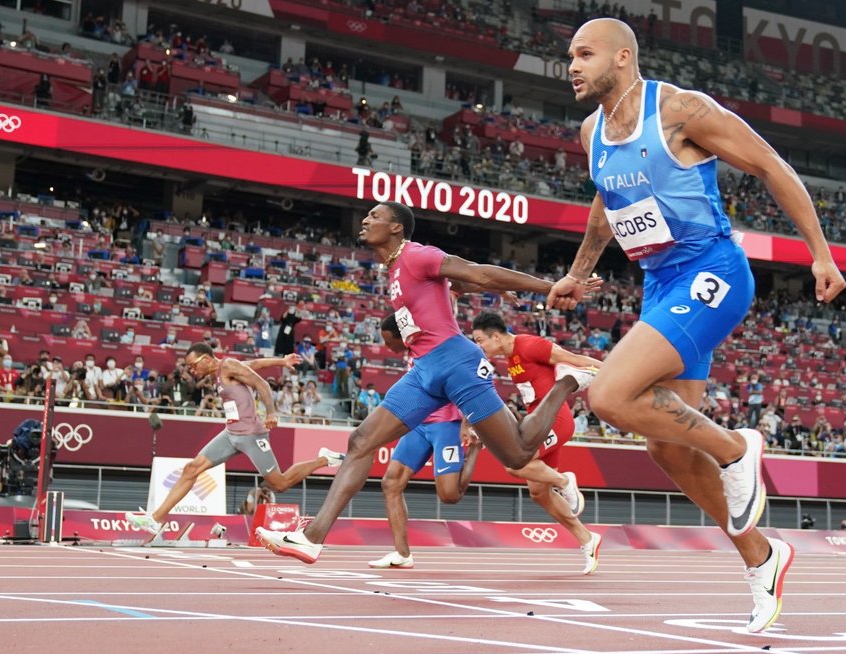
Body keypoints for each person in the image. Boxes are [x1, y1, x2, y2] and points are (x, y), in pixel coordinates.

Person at [548, 19, 846, 633]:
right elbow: (607, 204)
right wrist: (579, 272)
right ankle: (762, 558)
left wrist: (820, 252)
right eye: (568, 56)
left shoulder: (682, 110)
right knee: (665, 445)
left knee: (608, 394)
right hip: (659, 284)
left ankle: (738, 450)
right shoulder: (591, 131)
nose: (570, 66)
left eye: (584, 54)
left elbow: (770, 165)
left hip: (712, 271)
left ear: (623, 57)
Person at [255, 201, 598, 563]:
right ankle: (311, 538)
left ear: (396, 228)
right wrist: (489, 290)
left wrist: (549, 287)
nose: (365, 220)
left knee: (517, 453)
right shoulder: (394, 270)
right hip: (423, 372)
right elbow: (459, 283)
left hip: (456, 363)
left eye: (375, 216)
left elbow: (477, 272)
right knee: (361, 441)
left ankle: (568, 382)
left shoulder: (417, 255)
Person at [126, 348, 344, 535]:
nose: (192, 371)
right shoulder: (223, 370)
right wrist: (282, 361)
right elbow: (256, 363)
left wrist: (270, 412)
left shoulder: (228, 365)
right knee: (191, 469)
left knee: (280, 483)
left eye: (193, 366)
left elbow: (262, 385)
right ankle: (156, 519)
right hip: (230, 435)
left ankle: (324, 459)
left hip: (252, 435)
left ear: (207, 358)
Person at [471, 311, 602, 574]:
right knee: (539, 493)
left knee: (514, 463)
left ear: (495, 336)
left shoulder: (530, 345)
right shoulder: (510, 359)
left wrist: (613, 376)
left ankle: (565, 481)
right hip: (537, 424)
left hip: (556, 420)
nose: (479, 347)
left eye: (480, 340)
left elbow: (574, 359)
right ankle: (587, 539)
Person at [367, 315, 482, 569]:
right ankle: (402, 554)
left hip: (446, 423)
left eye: (388, 342)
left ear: (401, 335)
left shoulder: (435, 343)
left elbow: (460, 379)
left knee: (449, 495)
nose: (387, 348)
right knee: (391, 482)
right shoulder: (412, 347)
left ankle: (475, 450)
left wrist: (466, 422)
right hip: (418, 423)